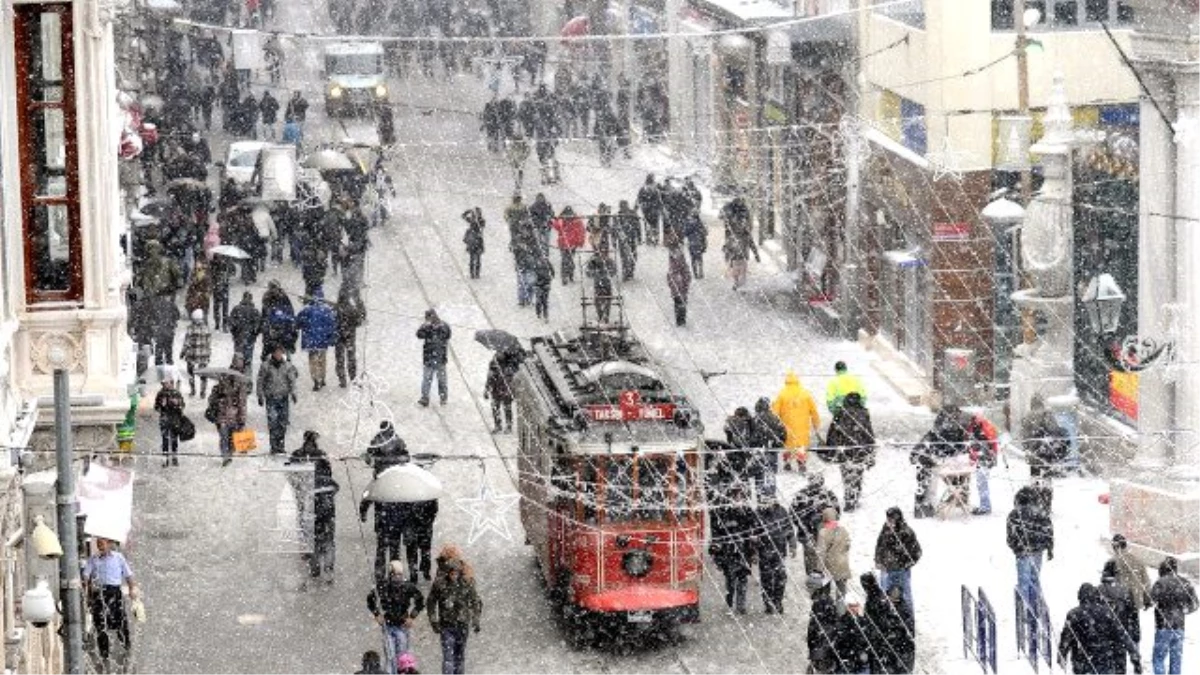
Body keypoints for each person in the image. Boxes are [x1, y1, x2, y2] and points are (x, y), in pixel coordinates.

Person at [1059, 583, 1139, 674]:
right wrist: (1133, 654)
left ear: (1080, 597)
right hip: (1104, 659)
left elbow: (1066, 637)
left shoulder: (1073, 614)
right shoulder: (1107, 613)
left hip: (1082, 661)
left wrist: (1062, 655)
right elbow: (1121, 634)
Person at [83, 537, 138, 664]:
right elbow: (86, 576)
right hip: (100, 593)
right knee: (100, 623)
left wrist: (132, 588)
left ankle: (126, 646)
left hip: (114, 592)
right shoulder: (93, 559)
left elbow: (128, 575)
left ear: (109, 544)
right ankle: (104, 653)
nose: (99, 546)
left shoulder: (118, 557)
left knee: (120, 620)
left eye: (102, 544)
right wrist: (85, 588)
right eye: (98, 544)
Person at [910, 405, 971, 518]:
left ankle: (956, 497)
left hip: (930, 457)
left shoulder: (947, 428)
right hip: (926, 459)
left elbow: (953, 448)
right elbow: (949, 447)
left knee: (932, 483)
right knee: (928, 484)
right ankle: (925, 507)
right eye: (956, 415)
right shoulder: (945, 429)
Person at [427, 556, 482, 675]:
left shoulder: (467, 583)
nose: (454, 576)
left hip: (462, 625)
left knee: (459, 655)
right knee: (448, 657)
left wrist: (476, 620)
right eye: (452, 573)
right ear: (448, 573)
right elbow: (431, 602)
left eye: (456, 573)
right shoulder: (440, 584)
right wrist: (434, 621)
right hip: (447, 626)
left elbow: (475, 602)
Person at [368, 560, 425, 671]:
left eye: (400, 574)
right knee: (390, 656)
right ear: (390, 574)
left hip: (403, 626)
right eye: (395, 574)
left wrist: (412, 617)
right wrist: (377, 615)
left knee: (402, 657)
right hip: (387, 625)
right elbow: (371, 599)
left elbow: (420, 601)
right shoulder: (383, 586)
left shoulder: (408, 586)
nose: (398, 577)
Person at [822, 391, 875, 511]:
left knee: (846, 476)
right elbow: (869, 433)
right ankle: (854, 498)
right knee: (857, 476)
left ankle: (849, 500)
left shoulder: (841, 413)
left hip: (844, 451)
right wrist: (871, 451)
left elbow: (833, 433)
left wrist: (830, 449)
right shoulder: (864, 413)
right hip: (860, 451)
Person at [1021, 393, 1070, 514]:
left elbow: (1023, 436)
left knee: (1034, 477)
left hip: (1032, 453)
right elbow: (1054, 430)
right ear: (1041, 402)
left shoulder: (1027, 416)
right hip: (1045, 452)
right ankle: (1046, 505)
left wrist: (1028, 448)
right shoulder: (1046, 414)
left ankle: (1034, 503)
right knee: (1047, 478)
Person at [1007, 484, 1054, 609]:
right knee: (1035, 580)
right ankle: (1035, 606)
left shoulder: (1014, 515)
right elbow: (1048, 532)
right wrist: (1049, 548)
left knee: (1023, 583)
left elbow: (1010, 537)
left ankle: (1024, 609)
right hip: (1037, 551)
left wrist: (1017, 548)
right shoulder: (1041, 514)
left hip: (1022, 554)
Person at [1150, 556, 1198, 675]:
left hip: (1163, 626)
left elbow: (1150, 600)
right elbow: (1196, 604)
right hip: (1179, 627)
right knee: (1176, 660)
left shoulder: (1160, 582)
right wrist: (1185, 610)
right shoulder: (1185, 583)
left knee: (1158, 658)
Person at [709, 487, 754, 614]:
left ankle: (741, 605)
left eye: (741, 497)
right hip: (728, 553)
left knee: (743, 578)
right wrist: (716, 554)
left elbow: (754, 527)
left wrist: (753, 549)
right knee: (730, 580)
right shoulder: (723, 512)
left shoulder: (747, 511)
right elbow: (717, 534)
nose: (738, 500)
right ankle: (729, 600)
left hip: (743, 552)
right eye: (736, 497)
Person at [862, 572, 916, 674]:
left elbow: (908, 633)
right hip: (885, 648)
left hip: (898, 650)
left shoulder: (902, 609)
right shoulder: (878, 601)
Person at [874, 506, 922, 615]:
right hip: (885, 570)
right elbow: (880, 544)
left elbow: (917, 552)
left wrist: (905, 564)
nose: (889, 521)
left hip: (900, 571)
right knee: (885, 597)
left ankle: (908, 621)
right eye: (888, 519)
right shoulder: (886, 528)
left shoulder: (906, 532)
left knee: (905, 598)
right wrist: (878, 560)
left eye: (891, 519)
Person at [791, 473, 839, 576]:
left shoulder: (828, 494)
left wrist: (826, 524)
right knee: (810, 557)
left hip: (825, 533)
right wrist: (806, 523)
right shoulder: (801, 495)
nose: (816, 484)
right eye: (814, 482)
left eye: (819, 482)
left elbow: (836, 514)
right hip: (807, 532)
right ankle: (813, 581)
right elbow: (793, 514)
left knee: (825, 557)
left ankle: (824, 582)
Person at [771, 371, 820, 473]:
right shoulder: (805, 393)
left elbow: (775, 412)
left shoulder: (782, 394)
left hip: (787, 425)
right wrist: (816, 423)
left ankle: (787, 463)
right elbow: (814, 411)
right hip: (802, 426)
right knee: (801, 445)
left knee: (788, 445)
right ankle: (801, 463)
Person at [1099, 559, 1142, 673]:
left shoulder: (1098, 590)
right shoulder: (1126, 591)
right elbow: (1133, 615)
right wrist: (1136, 636)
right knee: (1120, 666)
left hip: (1102, 636)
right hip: (1121, 634)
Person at [757, 496, 796, 614]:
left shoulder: (782, 511)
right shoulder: (758, 513)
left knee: (781, 577)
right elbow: (752, 532)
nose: (767, 502)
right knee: (766, 579)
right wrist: (753, 550)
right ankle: (768, 603)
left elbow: (789, 528)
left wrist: (792, 545)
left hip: (780, 551)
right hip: (764, 551)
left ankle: (778, 601)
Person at [257, 345, 299, 454]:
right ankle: (274, 446)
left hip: (283, 398)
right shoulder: (265, 366)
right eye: (276, 352)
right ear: (272, 354)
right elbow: (260, 381)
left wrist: (293, 393)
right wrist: (260, 395)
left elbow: (292, 381)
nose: (278, 355)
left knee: (283, 422)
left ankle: (281, 445)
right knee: (273, 422)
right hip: (271, 398)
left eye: (280, 352)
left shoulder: (287, 366)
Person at [296, 290, 337, 391]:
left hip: (310, 341)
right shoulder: (327, 311)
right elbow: (331, 326)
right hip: (322, 342)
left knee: (313, 361)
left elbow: (298, 322)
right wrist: (331, 339)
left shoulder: (306, 310)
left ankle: (316, 380)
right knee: (322, 360)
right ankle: (322, 378)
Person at [749, 397, 786, 498]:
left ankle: (761, 498)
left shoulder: (755, 420)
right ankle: (771, 496)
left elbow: (751, 437)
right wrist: (777, 445)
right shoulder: (775, 418)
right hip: (771, 451)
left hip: (758, 451)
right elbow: (783, 433)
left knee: (759, 475)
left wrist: (754, 446)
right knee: (770, 474)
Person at [966, 410, 1000, 515]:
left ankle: (985, 507)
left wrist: (976, 453)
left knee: (982, 482)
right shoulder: (976, 426)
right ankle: (984, 505)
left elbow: (989, 444)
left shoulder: (983, 427)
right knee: (981, 483)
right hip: (983, 458)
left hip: (984, 459)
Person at [806, 576, 842, 674]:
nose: (808, 590)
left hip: (822, 650)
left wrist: (816, 653)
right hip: (823, 648)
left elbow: (818, 629)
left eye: (809, 587)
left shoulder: (820, 603)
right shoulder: (824, 600)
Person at [721, 197, 758, 290]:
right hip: (739, 253)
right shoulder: (742, 210)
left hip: (737, 251)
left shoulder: (730, 210)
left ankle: (737, 282)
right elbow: (751, 242)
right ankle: (737, 282)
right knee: (739, 268)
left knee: (738, 267)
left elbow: (723, 219)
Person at [416, 309, 451, 407]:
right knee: (427, 379)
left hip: (440, 358)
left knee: (442, 380)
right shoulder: (426, 327)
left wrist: (434, 330)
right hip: (429, 358)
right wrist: (425, 327)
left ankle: (443, 398)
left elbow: (447, 335)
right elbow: (419, 335)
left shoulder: (444, 326)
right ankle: (425, 398)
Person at [1111, 533, 1154, 611]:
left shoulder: (1112, 562)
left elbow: (1107, 584)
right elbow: (1146, 581)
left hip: (1119, 603)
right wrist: (1147, 599)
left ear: (1114, 546)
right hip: (1135, 602)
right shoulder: (1137, 560)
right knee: (1133, 622)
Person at [815, 506, 851, 597]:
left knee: (825, 592)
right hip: (842, 564)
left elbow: (821, 552)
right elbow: (847, 546)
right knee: (841, 592)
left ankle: (827, 609)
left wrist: (819, 569)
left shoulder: (823, 532)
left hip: (828, 565)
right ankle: (841, 609)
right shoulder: (843, 530)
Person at [334, 288, 366, 388]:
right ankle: (353, 378)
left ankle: (342, 379)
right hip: (350, 336)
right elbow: (359, 320)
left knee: (339, 359)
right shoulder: (352, 309)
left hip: (338, 336)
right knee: (351, 358)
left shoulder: (334, 309)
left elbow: (330, 322)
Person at [153, 374, 186, 467]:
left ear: (171, 383)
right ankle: (165, 459)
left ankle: (174, 457)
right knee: (165, 439)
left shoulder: (176, 393)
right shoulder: (160, 393)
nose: (164, 385)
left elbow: (183, 405)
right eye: (163, 383)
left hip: (175, 419)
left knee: (174, 439)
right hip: (164, 419)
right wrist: (161, 406)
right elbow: (156, 407)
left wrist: (178, 404)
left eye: (166, 383)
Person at [180, 309, 212, 398]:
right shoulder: (206, 328)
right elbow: (209, 342)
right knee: (204, 373)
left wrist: (182, 352)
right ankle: (203, 392)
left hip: (192, 354)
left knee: (190, 373)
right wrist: (208, 353)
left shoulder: (191, 328)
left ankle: (193, 390)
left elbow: (187, 342)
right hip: (204, 355)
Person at [550, 206, 585, 284]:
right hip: (572, 243)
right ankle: (570, 275)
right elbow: (581, 231)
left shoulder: (562, 220)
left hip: (563, 243)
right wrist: (580, 242)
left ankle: (565, 277)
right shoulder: (576, 220)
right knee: (570, 259)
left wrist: (555, 220)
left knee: (564, 260)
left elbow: (556, 226)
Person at [229, 291, 262, 372]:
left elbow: (231, 323)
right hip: (250, 339)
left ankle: (237, 377)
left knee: (238, 360)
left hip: (239, 339)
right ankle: (247, 379)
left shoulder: (236, 309)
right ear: (251, 299)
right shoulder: (255, 311)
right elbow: (259, 326)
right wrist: (254, 334)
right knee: (248, 361)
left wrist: (235, 333)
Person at [585, 246, 618, 324]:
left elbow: (614, 271)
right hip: (598, 284)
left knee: (607, 300)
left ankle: (606, 316)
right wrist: (596, 273)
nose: (603, 254)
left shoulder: (609, 261)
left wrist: (607, 273)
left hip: (607, 284)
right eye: (601, 252)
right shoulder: (594, 261)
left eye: (604, 252)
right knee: (598, 300)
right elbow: (588, 272)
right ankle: (600, 315)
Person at [484, 355, 515, 433]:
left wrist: (507, 376)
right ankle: (498, 425)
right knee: (495, 407)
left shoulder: (510, 362)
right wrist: (487, 389)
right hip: (495, 389)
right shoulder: (494, 362)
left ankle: (509, 425)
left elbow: (512, 377)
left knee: (507, 408)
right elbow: (489, 377)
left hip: (506, 389)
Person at [666, 234, 692, 327]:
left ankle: (680, 320)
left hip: (678, 284)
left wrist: (671, 281)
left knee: (679, 302)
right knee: (681, 302)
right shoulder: (678, 258)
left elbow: (672, 273)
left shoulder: (674, 259)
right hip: (679, 284)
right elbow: (685, 271)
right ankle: (681, 320)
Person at [636, 174, 663, 245]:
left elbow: (639, 199)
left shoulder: (643, 188)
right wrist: (660, 208)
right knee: (655, 225)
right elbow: (659, 201)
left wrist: (638, 207)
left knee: (648, 225)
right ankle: (655, 239)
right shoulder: (655, 189)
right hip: (654, 210)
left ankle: (649, 239)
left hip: (646, 210)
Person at [462, 207, 485, 280]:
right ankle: (475, 273)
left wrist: (468, 211)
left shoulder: (477, 221)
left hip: (473, 241)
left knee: (474, 258)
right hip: (477, 241)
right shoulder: (478, 220)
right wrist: (469, 211)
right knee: (475, 258)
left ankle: (474, 273)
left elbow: (463, 216)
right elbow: (463, 216)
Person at [531, 248, 555, 321]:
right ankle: (541, 314)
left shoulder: (542, 262)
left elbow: (552, 271)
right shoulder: (539, 262)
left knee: (543, 300)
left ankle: (543, 314)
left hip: (543, 283)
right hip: (541, 284)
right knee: (541, 300)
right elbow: (552, 272)